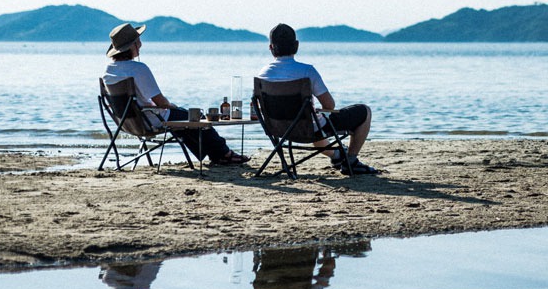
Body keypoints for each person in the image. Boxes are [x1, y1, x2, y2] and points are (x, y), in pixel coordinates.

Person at [101, 23, 249, 165]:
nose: (141, 44)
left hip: (128, 123)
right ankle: (224, 154)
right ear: (132, 45)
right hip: (150, 119)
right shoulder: (138, 68)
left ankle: (217, 155)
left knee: (184, 121)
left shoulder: (108, 71)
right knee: (194, 118)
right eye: (138, 41)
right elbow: (160, 102)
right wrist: (171, 105)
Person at [257, 23, 380, 175]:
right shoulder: (307, 71)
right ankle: (351, 161)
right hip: (308, 129)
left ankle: (337, 156)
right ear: (296, 46)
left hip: (279, 131)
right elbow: (329, 105)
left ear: (271, 48)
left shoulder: (262, 74)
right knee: (364, 111)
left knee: (313, 119)